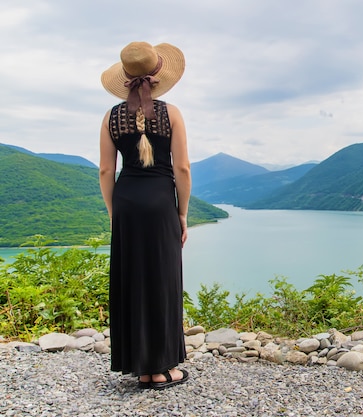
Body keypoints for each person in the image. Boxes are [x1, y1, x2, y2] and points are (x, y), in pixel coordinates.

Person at [99, 41, 191, 390]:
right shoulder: (172, 114)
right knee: (162, 279)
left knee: (132, 279)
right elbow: (181, 168)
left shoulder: (111, 117)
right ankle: (161, 368)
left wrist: (114, 212)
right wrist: (181, 214)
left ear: (125, 78)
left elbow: (106, 172)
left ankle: (140, 367)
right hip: (159, 203)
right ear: (158, 75)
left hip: (126, 201)